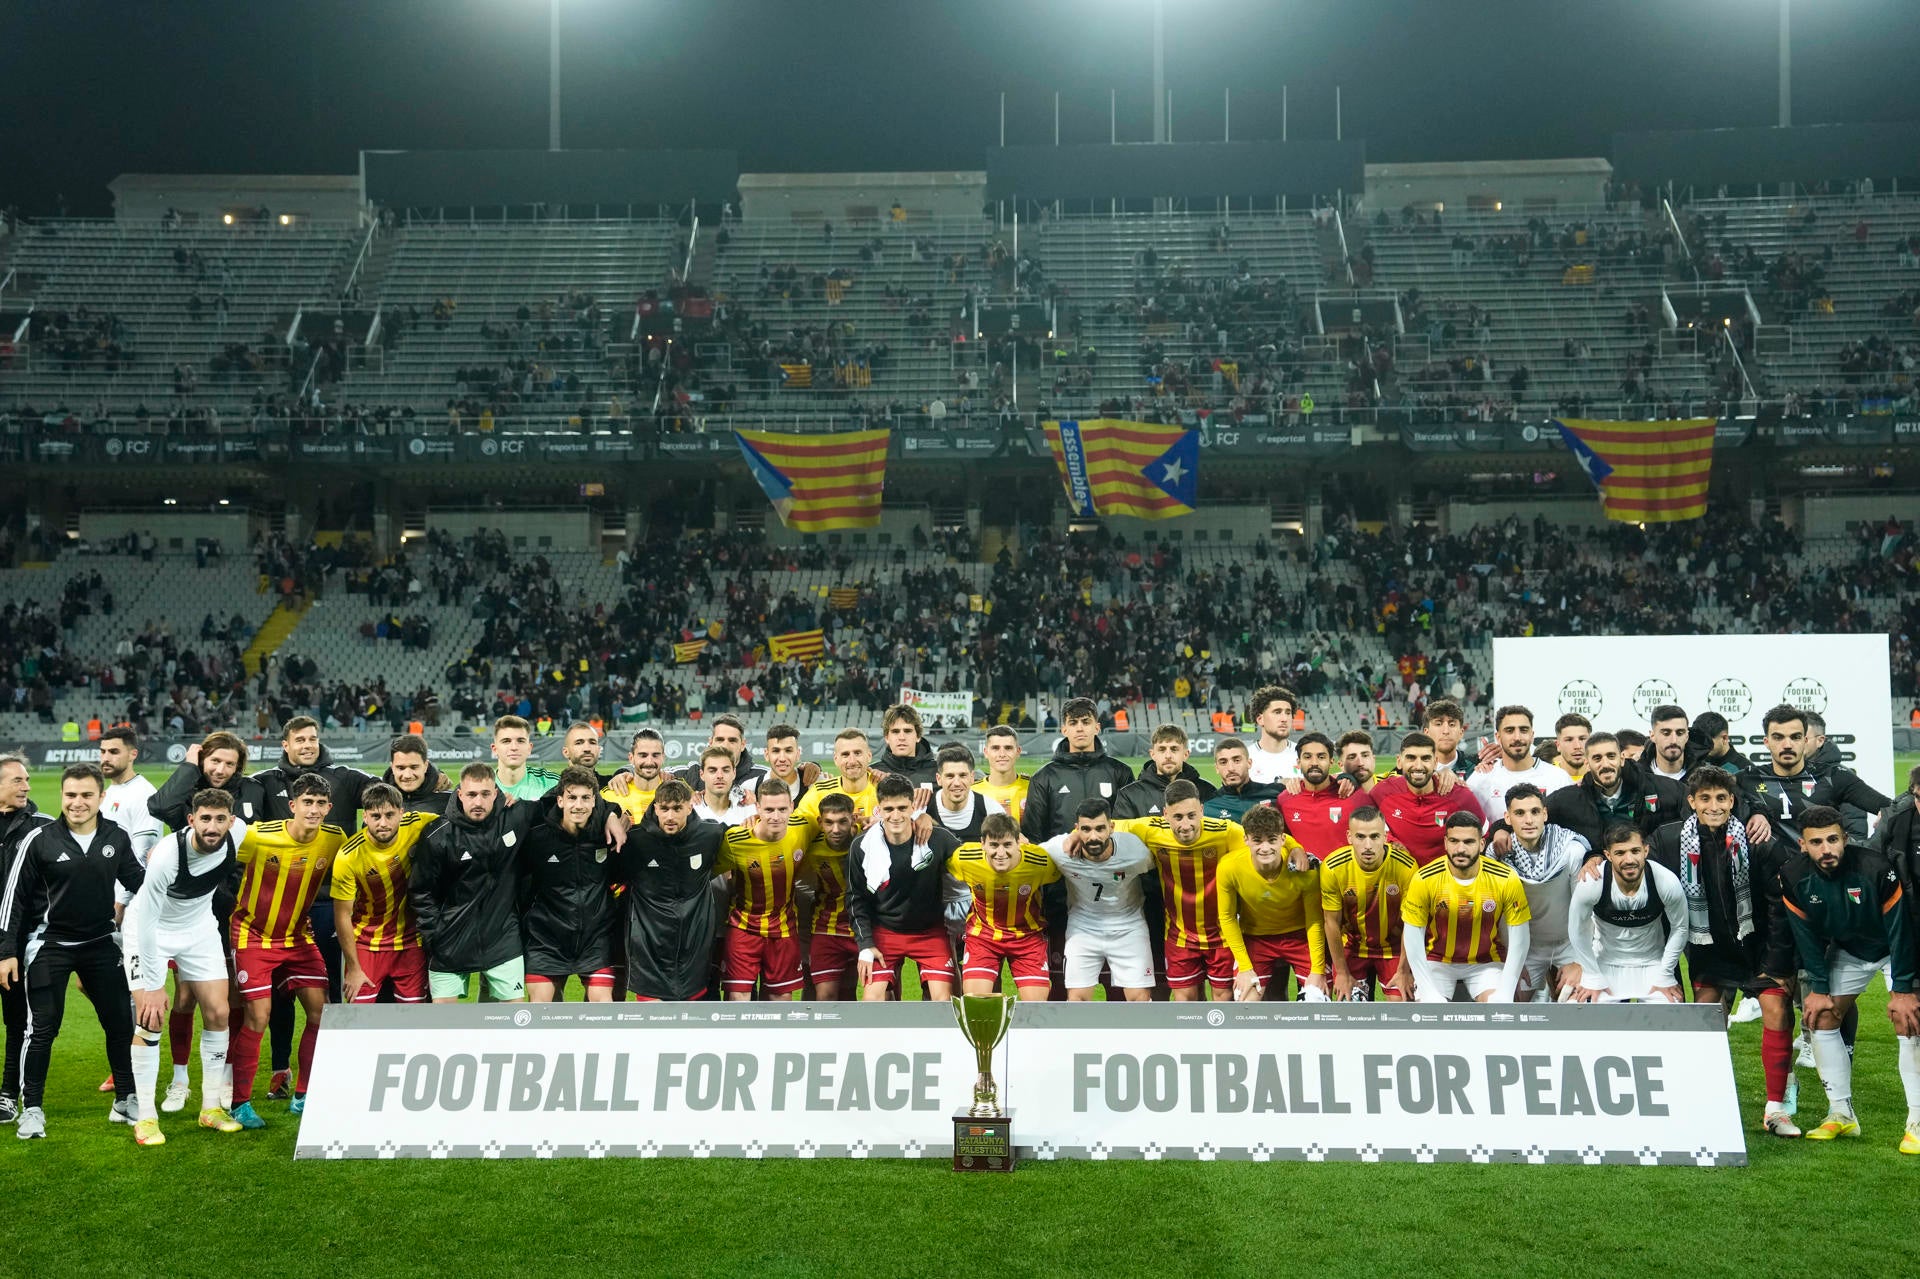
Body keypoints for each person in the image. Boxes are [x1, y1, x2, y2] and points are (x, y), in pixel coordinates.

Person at [1649, 766, 1799, 1137]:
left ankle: (1777, 1109)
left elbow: (1780, 904)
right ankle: (1705, 1104)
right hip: (1708, 948)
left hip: (1758, 946)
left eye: (1721, 799)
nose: (1713, 806)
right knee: (1705, 1022)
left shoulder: (1758, 840)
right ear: (1691, 802)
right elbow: (1658, 899)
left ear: (1732, 801)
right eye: (1705, 799)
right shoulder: (1668, 840)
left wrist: (1779, 960)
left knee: (1777, 1010)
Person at [0, 764, 143, 1141]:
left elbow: (140, 885)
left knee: (118, 1023)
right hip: (50, 945)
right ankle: (32, 1109)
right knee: (42, 1028)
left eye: (86, 795)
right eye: (70, 795)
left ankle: (126, 1099)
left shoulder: (116, 836)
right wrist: (6, 952)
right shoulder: (40, 839)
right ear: (62, 796)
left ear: (101, 798)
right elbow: (12, 901)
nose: (77, 803)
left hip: (100, 943)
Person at [1775, 805, 1919, 1149]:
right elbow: (1805, 936)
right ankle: (1841, 1115)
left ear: (1846, 839)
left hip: (1893, 949)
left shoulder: (1875, 868)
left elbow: (1900, 930)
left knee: (1908, 1016)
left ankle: (1917, 1120)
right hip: (1850, 950)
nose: (1827, 849)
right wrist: (1819, 988)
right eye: (1817, 842)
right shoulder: (1793, 876)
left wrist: (1903, 990)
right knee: (1820, 1015)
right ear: (1803, 846)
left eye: (1833, 840)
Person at [121, 787, 247, 1141]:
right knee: (150, 1017)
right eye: (205, 818)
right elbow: (144, 920)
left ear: (231, 821)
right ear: (192, 820)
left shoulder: (238, 834)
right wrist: (152, 983)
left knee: (219, 1012)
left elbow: (279, 840)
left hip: (199, 929)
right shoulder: (166, 855)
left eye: (220, 819)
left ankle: (210, 1108)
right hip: (151, 931)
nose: (212, 826)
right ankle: (145, 1118)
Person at [225, 772, 345, 1129]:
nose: (313, 809)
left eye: (320, 803)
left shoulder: (334, 839)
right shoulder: (257, 836)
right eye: (306, 802)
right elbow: (215, 850)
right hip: (252, 935)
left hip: (296, 937)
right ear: (292, 806)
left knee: (321, 1013)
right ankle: (240, 1103)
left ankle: (303, 1095)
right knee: (258, 1016)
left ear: (329, 808)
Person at [412, 763, 543, 1004]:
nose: (478, 802)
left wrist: (608, 813)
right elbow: (422, 891)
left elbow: (563, 801)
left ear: (496, 793)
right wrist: (434, 936)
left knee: (514, 1021)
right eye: (471, 794)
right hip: (450, 941)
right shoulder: (439, 835)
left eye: (485, 794)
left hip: (502, 938)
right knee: (444, 1025)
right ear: (460, 794)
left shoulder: (515, 817)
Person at [1117, 780, 1252, 1002]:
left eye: (1192, 815)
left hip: (1222, 936)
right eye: (1178, 817)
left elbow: (1264, 838)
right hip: (1180, 937)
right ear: (1165, 814)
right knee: (1185, 1006)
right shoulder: (1151, 829)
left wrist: (1294, 849)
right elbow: (1105, 826)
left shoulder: (1225, 831)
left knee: (1224, 999)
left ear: (1201, 810)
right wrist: (1074, 835)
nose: (1186, 825)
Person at [613, 778, 728, 1002]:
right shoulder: (635, 841)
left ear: (690, 806)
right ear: (655, 807)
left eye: (677, 809)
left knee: (691, 1022)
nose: (670, 816)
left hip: (694, 944)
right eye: (664, 809)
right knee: (652, 1022)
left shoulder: (711, 835)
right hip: (648, 944)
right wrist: (610, 815)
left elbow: (747, 839)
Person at [1399, 813, 1532, 1003]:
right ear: (1445, 842)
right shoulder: (1424, 879)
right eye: (1454, 841)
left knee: (1499, 1006)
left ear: (1481, 845)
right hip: (1438, 961)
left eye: (1469, 842)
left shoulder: (1505, 878)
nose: (1460, 849)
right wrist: (1428, 991)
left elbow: (1520, 937)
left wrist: (1506, 989)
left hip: (1486, 962)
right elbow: (1413, 937)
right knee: (1429, 1010)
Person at [849, 775, 959, 1001]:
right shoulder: (862, 846)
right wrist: (865, 944)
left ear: (913, 807)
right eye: (889, 809)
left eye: (902, 808)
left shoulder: (938, 839)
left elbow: (972, 863)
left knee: (943, 1001)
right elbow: (855, 899)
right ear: (879, 809)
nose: (896, 815)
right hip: (885, 931)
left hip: (930, 932)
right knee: (872, 1000)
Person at [519, 766, 622, 1002]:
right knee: (540, 1009)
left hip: (594, 938)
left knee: (603, 1005)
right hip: (546, 938)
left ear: (596, 802)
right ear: (560, 800)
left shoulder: (605, 837)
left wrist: (612, 814)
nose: (579, 805)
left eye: (586, 798)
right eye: (572, 797)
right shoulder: (537, 838)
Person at [332, 783, 437, 1004]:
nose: (383, 823)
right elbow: (342, 915)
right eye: (376, 816)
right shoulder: (349, 854)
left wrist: (501, 802)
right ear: (365, 817)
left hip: (410, 943)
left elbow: (456, 816)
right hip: (366, 945)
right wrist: (353, 967)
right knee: (358, 1021)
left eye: (390, 815)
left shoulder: (418, 823)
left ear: (401, 813)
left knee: (414, 1020)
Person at [1041, 801, 1156, 1001]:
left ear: (1111, 827)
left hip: (1129, 927)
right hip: (1083, 927)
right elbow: (1026, 854)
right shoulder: (1061, 850)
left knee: (1140, 999)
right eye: (1085, 829)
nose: (1093, 837)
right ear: (1076, 829)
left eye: (1100, 828)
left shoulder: (1135, 852)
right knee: (1077, 998)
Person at [1566, 825, 1688, 1004]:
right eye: (1620, 853)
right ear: (1608, 856)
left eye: (1635, 851)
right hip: (1605, 964)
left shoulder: (1666, 881)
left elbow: (1681, 928)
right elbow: (1577, 930)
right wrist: (1592, 974)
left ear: (1645, 851)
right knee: (1579, 1010)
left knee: (1669, 1011)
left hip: (1652, 964)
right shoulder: (1591, 884)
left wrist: (1666, 973)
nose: (1629, 859)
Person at [1218, 805, 1327, 1002]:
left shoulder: (1305, 871)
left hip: (1299, 936)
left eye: (1272, 840)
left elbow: (1315, 922)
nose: (1265, 848)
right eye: (1258, 841)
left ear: (1283, 840)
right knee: (1245, 1001)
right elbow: (1227, 917)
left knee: (1317, 998)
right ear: (1246, 840)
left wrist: (1318, 970)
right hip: (1256, 938)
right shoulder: (1229, 867)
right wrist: (1244, 967)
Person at [1739, 704, 1890, 845]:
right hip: (1767, 873)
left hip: (1821, 871)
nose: (1787, 745)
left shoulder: (1832, 776)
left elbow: (1893, 806)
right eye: (1778, 737)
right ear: (1766, 742)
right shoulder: (1747, 779)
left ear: (1805, 740)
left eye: (1795, 737)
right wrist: (1755, 811)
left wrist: (1888, 814)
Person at [718, 777, 812, 1001]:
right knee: (737, 1002)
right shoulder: (735, 839)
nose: (776, 816)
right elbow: (705, 873)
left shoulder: (804, 827)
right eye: (769, 809)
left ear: (792, 806)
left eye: (782, 809)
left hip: (784, 930)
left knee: (780, 1003)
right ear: (757, 807)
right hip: (743, 928)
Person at [950, 813, 1060, 1000]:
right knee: (976, 1003)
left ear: (1019, 842)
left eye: (1007, 845)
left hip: (1027, 937)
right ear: (982, 843)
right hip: (983, 935)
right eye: (994, 845)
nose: (1000, 853)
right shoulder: (964, 858)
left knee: (1036, 1009)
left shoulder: (1040, 862)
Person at [1497, 783, 1590, 1001]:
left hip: (1569, 943)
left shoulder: (1572, 850)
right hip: (1525, 947)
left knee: (1578, 1003)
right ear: (1507, 818)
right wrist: (1510, 958)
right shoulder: (1496, 856)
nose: (1528, 820)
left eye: (1535, 812)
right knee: (1506, 1003)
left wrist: (1581, 963)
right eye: (1519, 813)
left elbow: (1586, 911)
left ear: (1545, 814)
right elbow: (1497, 916)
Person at [1319, 807, 1417, 1001]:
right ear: (1349, 837)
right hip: (1353, 947)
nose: (1368, 845)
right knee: (1348, 1005)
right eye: (1360, 837)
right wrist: (1342, 973)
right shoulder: (1333, 867)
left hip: (1394, 948)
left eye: (1374, 836)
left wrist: (1404, 970)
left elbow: (1411, 923)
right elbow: (1331, 923)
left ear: (1385, 836)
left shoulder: (1406, 866)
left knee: (1403, 1007)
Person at [0, 753, 50, 1124]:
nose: (27, 786)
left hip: (16, 945)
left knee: (17, 1021)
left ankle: (7, 1094)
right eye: (18, 780)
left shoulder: (41, 828)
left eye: (27, 779)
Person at [1544, 730, 1683, 850]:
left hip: (1645, 866)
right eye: (1597, 758)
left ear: (1622, 759)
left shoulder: (1657, 787)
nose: (1605, 764)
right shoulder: (1568, 799)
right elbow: (1536, 818)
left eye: (1611, 756)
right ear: (1587, 764)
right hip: (1596, 872)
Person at [1364, 732, 1483, 866]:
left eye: (1425, 758)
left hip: (1442, 882)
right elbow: (1364, 824)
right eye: (1411, 758)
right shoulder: (1382, 792)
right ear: (1399, 762)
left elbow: (1483, 832)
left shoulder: (1459, 795)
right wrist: (1390, 839)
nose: (1418, 766)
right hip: (1399, 881)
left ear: (1435, 762)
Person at [797, 791, 861, 999]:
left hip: (864, 929)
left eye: (843, 822)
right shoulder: (810, 850)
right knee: (825, 997)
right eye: (829, 822)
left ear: (854, 819)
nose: (836, 830)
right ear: (820, 822)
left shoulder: (869, 839)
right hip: (827, 928)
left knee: (870, 993)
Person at [1466, 704, 1573, 818]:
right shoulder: (1480, 779)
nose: (1517, 737)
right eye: (1509, 730)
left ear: (1532, 735)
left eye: (1523, 730)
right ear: (1498, 737)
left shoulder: (1559, 778)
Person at [1113, 724, 1217, 819]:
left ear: (1185, 754)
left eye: (1174, 749)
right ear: (1152, 754)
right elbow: (1123, 837)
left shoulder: (1207, 791)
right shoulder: (1129, 795)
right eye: (1162, 749)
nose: (1168, 756)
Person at [1273, 733, 1350, 858]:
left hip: (1341, 876)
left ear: (1331, 762)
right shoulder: (1284, 800)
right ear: (1298, 762)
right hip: (1302, 876)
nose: (1314, 763)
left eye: (1321, 757)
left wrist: (1351, 779)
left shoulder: (1348, 793)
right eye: (1307, 757)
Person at [98, 726, 163, 869]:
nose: (106, 758)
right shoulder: (109, 792)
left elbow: (143, 855)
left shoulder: (144, 795)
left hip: (127, 889)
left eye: (114, 752)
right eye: (103, 752)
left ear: (133, 754)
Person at [931, 744, 1003, 841]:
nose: (956, 783)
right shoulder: (922, 809)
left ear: (972, 777)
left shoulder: (991, 809)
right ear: (938, 779)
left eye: (963, 775)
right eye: (950, 776)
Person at [1203, 738, 1283, 822]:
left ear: (1249, 763)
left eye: (1237, 760)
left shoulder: (1276, 793)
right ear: (1217, 768)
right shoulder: (1208, 805)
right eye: (1223, 762)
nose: (1231, 768)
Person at [604, 728, 667, 821]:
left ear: (663, 758)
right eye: (643, 755)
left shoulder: (682, 793)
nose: (649, 762)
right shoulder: (609, 796)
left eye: (655, 755)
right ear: (631, 758)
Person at [488, 714, 555, 803]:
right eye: (506, 741)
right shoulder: (480, 786)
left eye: (520, 741)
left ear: (529, 748)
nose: (514, 747)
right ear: (494, 749)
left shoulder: (551, 783)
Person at [972, 725, 1031, 825]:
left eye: (1008, 748)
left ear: (1018, 752)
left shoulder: (1033, 788)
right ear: (986, 752)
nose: (1002, 754)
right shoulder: (972, 792)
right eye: (995, 748)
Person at [383, 733, 452, 815]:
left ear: (426, 766)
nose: (407, 775)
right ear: (392, 767)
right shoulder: (379, 799)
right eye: (400, 768)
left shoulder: (449, 801)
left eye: (414, 767)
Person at [1246, 685, 1301, 783]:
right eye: (1277, 712)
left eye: (1288, 713)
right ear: (1260, 719)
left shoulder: (1304, 755)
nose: (1284, 719)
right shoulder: (1246, 758)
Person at [873, 703, 938, 784]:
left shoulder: (939, 773)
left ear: (918, 736)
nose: (902, 737)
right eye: (895, 731)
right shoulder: (873, 774)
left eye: (907, 731)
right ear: (887, 738)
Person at [760, 723, 819, 808]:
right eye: (776, 751)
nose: (782, 758)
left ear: (798, 754)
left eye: (788, 751)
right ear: (766, 755)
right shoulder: (751, 787)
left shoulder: (817, 784)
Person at [692, 747, 754, 825]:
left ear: (734, 773)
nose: (720, 776)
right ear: (702, 774)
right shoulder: (689, 811)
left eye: (725, 770)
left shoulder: (749, 811)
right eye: (712, 771)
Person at [1420, 698, 1476, 778]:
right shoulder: (1413, 771)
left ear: (1461, 733)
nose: (1446, 731)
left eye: (1452, 724)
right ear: (1426, 733)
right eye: (1438, 724)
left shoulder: (1476, 769)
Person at [1645, 705, 1692, 784]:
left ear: (1687, 736)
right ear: (1652, 736)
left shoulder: (1705, 778)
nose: (1674, 740)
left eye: (1680, 733)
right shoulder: (1637, 777)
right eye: (1666, 733)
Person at [1551, 713, 1591, 782]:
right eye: (1569, 740)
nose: (1577, 746)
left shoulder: (1602, 775)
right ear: (1558, 745)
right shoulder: (1545, 775)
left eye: (1582, 739)